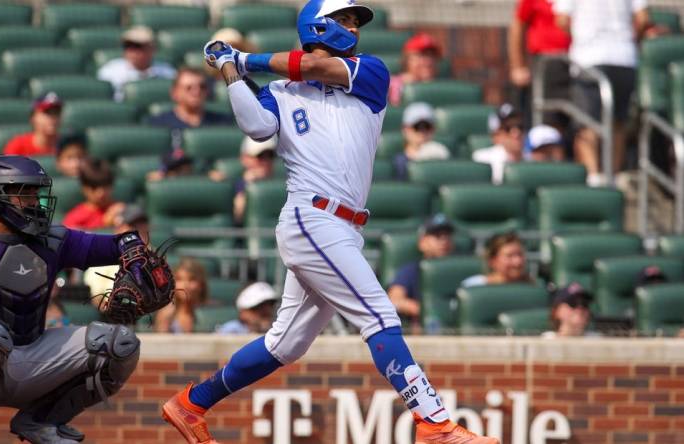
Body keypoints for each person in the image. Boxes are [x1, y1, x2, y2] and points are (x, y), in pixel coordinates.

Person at [161, 1, 498, 443]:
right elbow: (257, 128)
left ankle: (192, 403)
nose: (353, 27)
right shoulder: (280, 91)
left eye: (355, 20)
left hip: (344, 227)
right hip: (311, 217)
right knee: (379, 314)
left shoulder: (371, 73)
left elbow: (318, 68)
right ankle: (434, 423)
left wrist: (244, 59)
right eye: (345, 18)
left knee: (285, 344)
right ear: (318, 24)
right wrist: (230, 72)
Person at [0, 155, 144, 444]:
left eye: (36, 192)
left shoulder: (54, 241)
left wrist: (136, 250)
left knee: (122, 345)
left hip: (28, 358)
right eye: (24, 192)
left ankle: (41, 421)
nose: (34, 200)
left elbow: (111, 245)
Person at [554, 0, 649, 183]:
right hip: (624, 57)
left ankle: (594, 178)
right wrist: (628, 39)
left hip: (589, 57)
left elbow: (562, 20)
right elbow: (643, 19)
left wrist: (584, 35)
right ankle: (612, 178)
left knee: (586, 123)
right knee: (617, 122)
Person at [508, 0, 571, 129]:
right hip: (545, 65)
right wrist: (517, 66)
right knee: (547, 119)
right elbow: (518, 25)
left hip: (575, 63)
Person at [387, 214, 454, 328]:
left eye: (447, 236)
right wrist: (423, 311)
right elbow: (394, 299)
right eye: (437, 236)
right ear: (422, 242)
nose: (444, 241)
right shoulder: (411, 271)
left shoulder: (456, 271)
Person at [147, 67, 232, 149]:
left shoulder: (223, 123)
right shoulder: (157, 125)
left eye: (202, 87)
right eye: (189, 88)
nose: (197, 92)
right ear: (175, 93)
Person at [85, 204, 150, 302]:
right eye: (133, 225)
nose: (139, 229)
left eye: (142, 223)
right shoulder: (105, 252)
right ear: (119, 228)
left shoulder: (155, 255)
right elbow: (95, 293)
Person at [97, 26, 176, 102]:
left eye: (138, 46)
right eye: (128, 46)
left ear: (152, 48)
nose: (132, 51)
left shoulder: (167, 73)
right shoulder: (110, 71)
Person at [62, 158, 125, 230]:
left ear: (111, 186)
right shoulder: (74, 218)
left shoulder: (122, 210)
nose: (101, 193)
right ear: (84, 188)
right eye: (93, 187)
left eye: (105, 186)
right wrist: (105, 223)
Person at [393, 102, 450, 180]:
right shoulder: (398, 163)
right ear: (405, 129)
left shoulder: (440, 154)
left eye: (427, 126)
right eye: (417, 127)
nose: (422, 132)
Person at [472, 103, 525, 184]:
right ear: (495, 136)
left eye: (520, 127)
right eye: (507, 128)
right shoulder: (482, 160)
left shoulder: (532, 160)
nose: (516, 133)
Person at [154, 257, 208, 334]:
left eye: (192, 280)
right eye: (179, 279)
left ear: (201, 284)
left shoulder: (210, 311)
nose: (185, 285)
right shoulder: (166, 314)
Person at [388, 32, 442, 106]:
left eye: (432, 56)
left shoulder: (442, 88)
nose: (429, 61)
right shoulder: (391, 85)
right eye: (422, 55)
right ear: (407, 59)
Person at [233, 135, 277, 225]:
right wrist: (246, 186)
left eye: (270, 156)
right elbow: (236, 220)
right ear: (245, 158)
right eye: (260, 156)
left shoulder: (286, 186)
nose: (266, 161)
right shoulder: (233, 187)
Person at [3, 92, 63, 157]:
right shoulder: (17, 147)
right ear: (33, 117)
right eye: (47, 112)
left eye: (56, 112)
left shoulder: (66, 146)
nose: (53, 117)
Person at [462, 232, 531, 287]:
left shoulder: (533, 288)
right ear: (492, 261)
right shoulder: (473, 287)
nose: (518, 261)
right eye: (509, 256)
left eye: (520, 254)